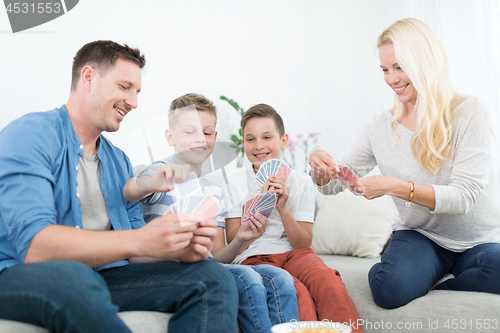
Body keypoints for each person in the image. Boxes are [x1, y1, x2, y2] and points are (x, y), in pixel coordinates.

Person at [0, 41, 238, 333]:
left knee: (212, 277)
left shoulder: (118, 162)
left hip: (102, 276)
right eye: (125, 86)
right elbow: (35, 247)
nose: (134, 102)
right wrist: (139, 240)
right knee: (73, 277)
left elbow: (135, 252)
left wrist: (178, 251)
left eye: (137, 92)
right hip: (20, 274)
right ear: (88, 78)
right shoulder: (30, 134)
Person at [309, 18, 500, 310]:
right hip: (420, 237)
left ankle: (441, 281)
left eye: (399, 67)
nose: (391, 79)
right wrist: (321, 170)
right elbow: (336, 182)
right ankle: (410, 266)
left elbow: (464, 197)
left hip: (478, 241)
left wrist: (398, 188)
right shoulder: (382, 127)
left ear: (425, 63)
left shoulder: (469, 112)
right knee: (391, 289)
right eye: (385, 70)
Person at [123, 93, 300, 333]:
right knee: (249, 280)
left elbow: (217, 257)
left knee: (280, 278)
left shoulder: (214, 191)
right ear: (170, 137)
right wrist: (151, 181)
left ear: (214, 138)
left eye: (207, 133)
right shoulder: (161, 171)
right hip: (168, 268)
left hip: (206, 265)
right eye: (190, 132)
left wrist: (241, 238)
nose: (200, 139)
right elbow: (135, 190)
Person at [225, 104, 362, 332]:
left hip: (294, 253)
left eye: (267, 137)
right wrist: (260, 206)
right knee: (297, 291)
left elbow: (303, 243)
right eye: (250, 139)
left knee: (327, 279)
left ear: (283, 141)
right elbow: (233, 244)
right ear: (243, 144)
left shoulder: (301, 181)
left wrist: (283, 209)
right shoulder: (235, 182)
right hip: (254, 256)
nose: (259, 146)